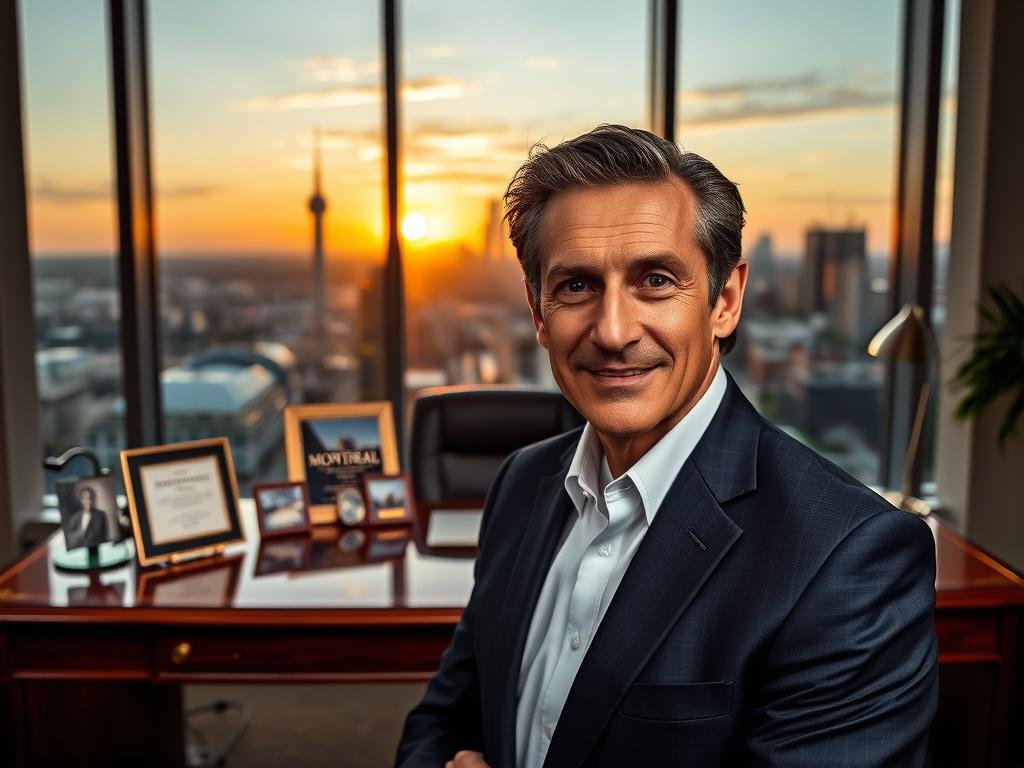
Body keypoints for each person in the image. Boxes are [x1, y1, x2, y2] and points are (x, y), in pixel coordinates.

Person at [395, 125, 938, 767]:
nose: (614, 331)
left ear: (724, 301)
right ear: (538, 313)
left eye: (655, 280)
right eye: (575, 286)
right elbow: (448, 712)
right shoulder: (521, 482)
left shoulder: (848, 558)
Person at [64, 484, 110, 549]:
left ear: (93, 500)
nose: (88, 501)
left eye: (90, 498)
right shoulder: (75, 517)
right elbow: (70, 537)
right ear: (81, 500)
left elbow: (104, 537)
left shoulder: (101, 515)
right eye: (85, 498)